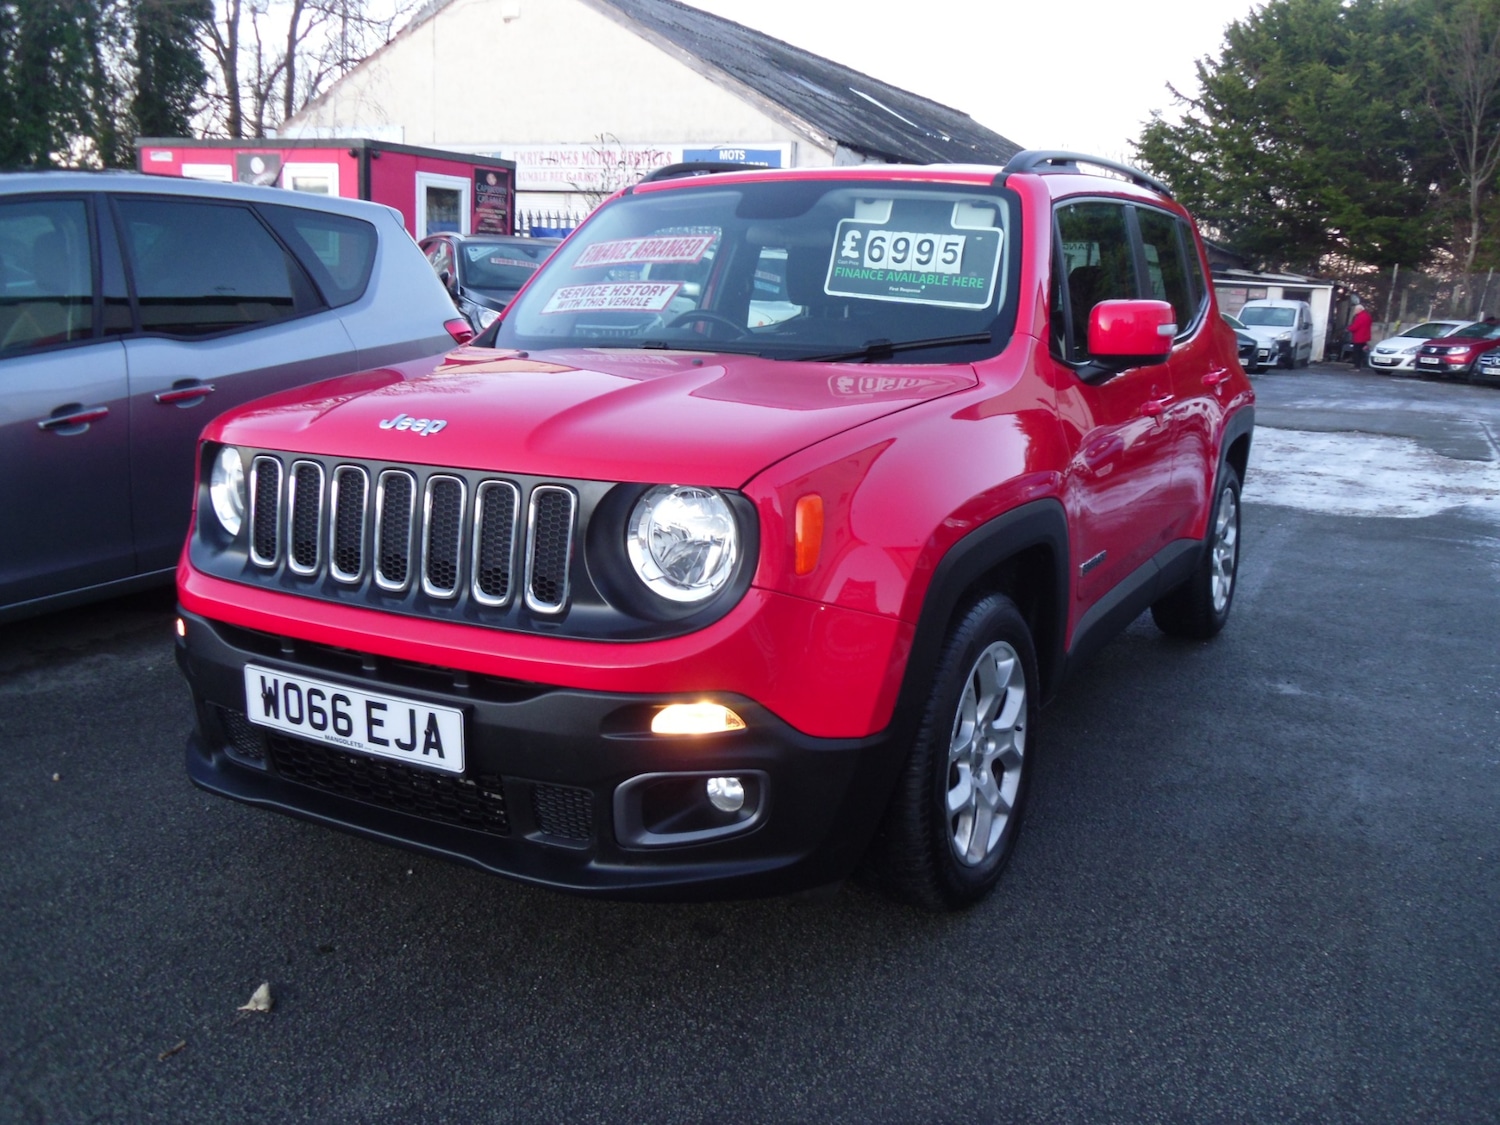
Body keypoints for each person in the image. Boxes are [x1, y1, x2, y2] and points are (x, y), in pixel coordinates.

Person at [1348, 302, 1373, 369]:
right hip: (1364, 336)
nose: (1355, 311)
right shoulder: (1367, 316)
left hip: (1359, 337)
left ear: (1360, 310)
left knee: (1357, 352)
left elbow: (1356, 326)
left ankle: (1357, 366)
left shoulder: (1360, 317)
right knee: (1362, 351)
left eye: (1356, 310)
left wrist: (1349, 328)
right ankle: (1362, 364)